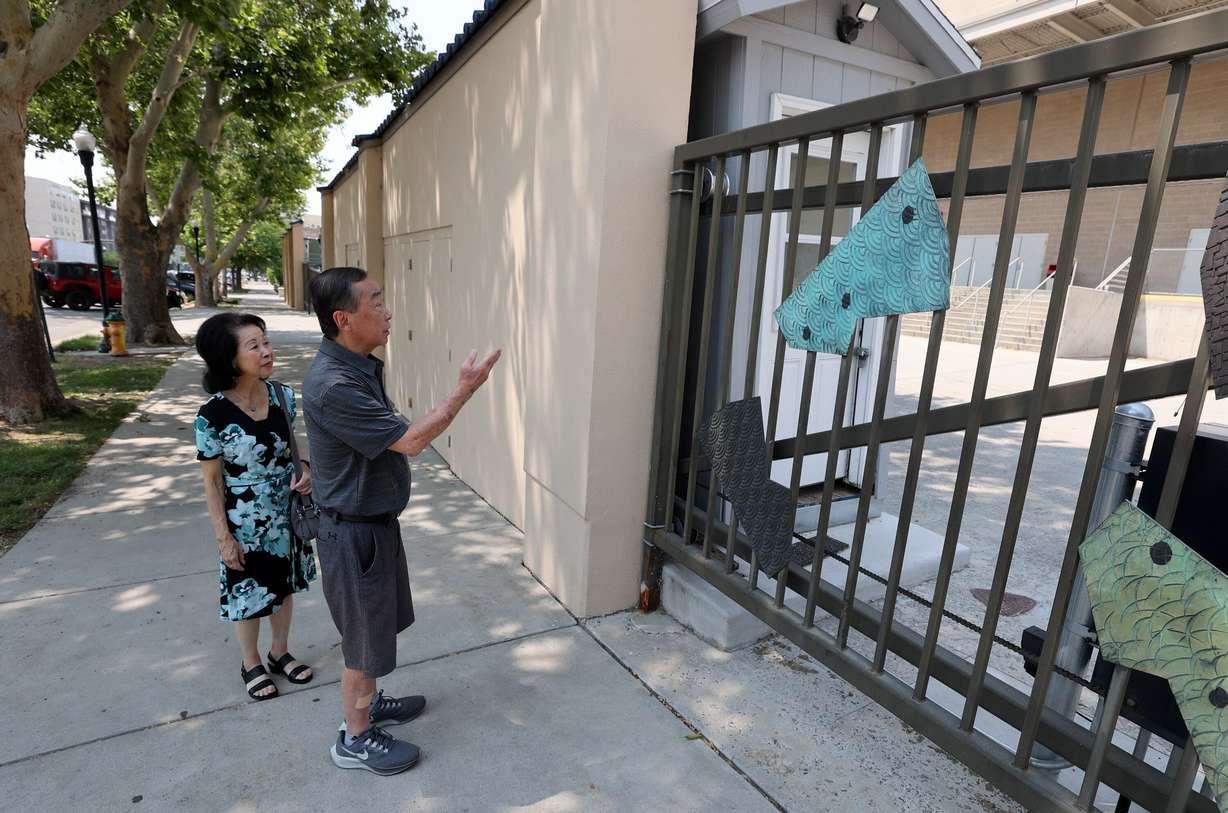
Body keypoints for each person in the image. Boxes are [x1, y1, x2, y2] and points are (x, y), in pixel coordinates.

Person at [302, 266, 500, 776]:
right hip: (352, 533)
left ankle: (370, 701)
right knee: (362, 644)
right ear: (344, 319)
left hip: (372, 524)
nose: (388, 311)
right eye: (376, 302)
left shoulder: (360, 364)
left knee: (378, 627)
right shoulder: (334, 384)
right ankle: (355, 736)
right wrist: (464, 391)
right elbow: (410, 442)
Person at [194, 312, 317, 701]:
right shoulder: (212, 415)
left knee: (283, 587)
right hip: (244, 519)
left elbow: (290, 448)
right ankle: (250, 663)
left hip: (286, 510)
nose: (266, 351)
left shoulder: (282, 395)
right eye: (254, 346)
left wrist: (307, 470)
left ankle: (279, 651)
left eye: (265, 342)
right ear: (229, 358)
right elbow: (212, 481)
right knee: (248, 593)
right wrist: (223, 538)